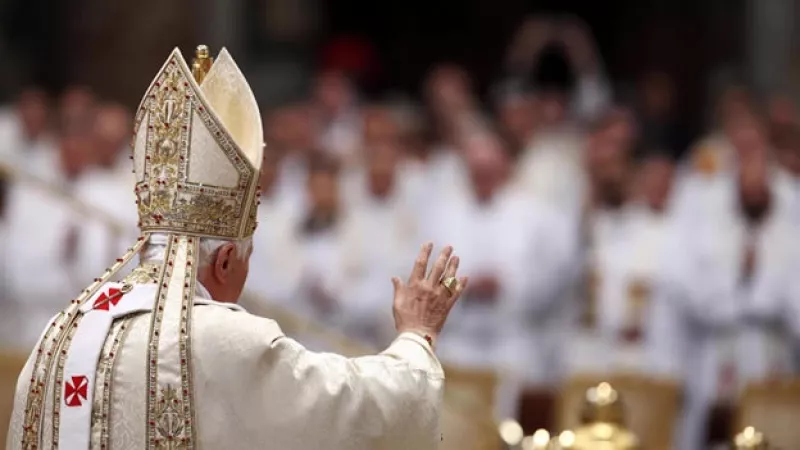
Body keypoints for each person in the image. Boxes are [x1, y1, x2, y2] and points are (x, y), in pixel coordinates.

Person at [6, 46, 468, 450]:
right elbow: (356, 405)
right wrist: (417, 334)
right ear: (225, 260)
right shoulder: (225, 340)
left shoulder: (62, 331)